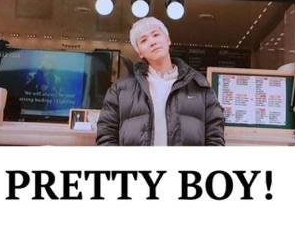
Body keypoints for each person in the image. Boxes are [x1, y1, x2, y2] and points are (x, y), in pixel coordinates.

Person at [96, 17, 225, 146]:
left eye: (156, 35)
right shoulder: (120, 90)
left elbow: (215, 138)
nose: (152, 42)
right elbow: (106, 137)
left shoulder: (199, 86)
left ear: (168, 39)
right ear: (139, 52)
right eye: (144, 40)